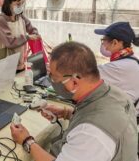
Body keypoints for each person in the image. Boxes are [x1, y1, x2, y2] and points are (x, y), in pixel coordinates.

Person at [10, 42, 138, 161]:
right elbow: (96, 113)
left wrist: (27, 141)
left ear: (75, 81)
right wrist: (66, 113)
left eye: (54, 77)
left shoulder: (91, 133)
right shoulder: (116, 94)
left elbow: (92, 128)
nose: (52, 82)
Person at [95, 21, 139, 115]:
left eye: (104, 40)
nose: (103, 44)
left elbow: (87, 74)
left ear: (115, 42)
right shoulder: (132, 59)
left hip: (125, 118)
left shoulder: (119, 66)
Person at [0, 0, 40, 71]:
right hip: (6, 64)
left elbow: (30, 27)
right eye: (18, 4)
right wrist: (28, 37)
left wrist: (35, 33)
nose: (20, 6)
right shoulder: (1, 20)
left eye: (22, 3)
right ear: (9, 3)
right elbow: (10, 42)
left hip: (20, 62)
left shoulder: (20, 16)